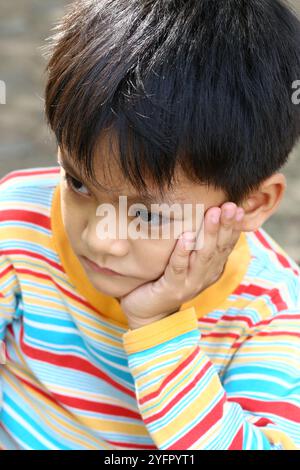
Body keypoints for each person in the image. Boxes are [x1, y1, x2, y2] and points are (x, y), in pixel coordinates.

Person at [0, 0, 300, 450]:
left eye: (147, 214)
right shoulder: (20, 220)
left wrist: (157, 325)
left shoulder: (267, 311)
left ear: (254, 203)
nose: (100, 239)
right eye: (78, 182)